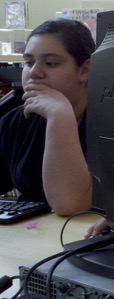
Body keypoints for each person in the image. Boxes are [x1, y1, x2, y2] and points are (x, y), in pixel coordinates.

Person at [0, 18, 95, 216]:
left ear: (84, 71)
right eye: (28, 62)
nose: (34, 73)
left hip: (83, 240)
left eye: (51, 63)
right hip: (28, 239)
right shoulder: (17, 120)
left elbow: (69, 205)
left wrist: (59, 114)